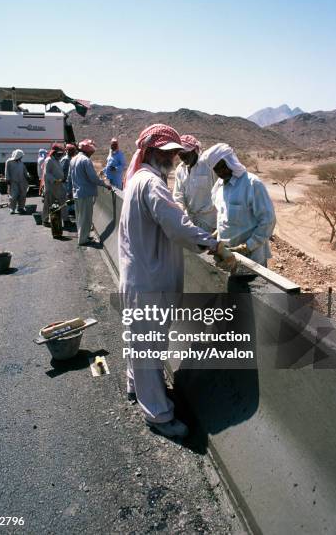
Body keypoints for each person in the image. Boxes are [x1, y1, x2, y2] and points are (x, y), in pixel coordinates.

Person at [119, 124, 220, 439]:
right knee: (148, 347)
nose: (174, 157)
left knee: (142, 345)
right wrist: (212, 243)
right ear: (150, 152)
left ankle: (136, 386)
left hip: (142, 280)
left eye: (175, 152)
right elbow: (178, 226)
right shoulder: (151, 183)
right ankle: (159, 416)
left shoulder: (139, 179)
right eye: (168, 152)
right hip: (148, 284)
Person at [201, 144, 276, 266]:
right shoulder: (218, 186)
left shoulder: (252, 184)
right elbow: (223, 217)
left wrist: (246, 247)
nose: (221, 171)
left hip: (251, 256)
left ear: (231, 161)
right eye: (216, 169)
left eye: (223, 166)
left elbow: (268, 220)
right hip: (226, 254)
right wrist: (215, 235)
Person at [69, 139, 112, 246]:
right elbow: (93, 178)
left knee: (80, 217)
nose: (92, 153)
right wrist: (104, 184)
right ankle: (83, 240)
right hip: (85, 193)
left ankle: (82, 236)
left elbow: (70, 177)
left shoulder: (73, 159)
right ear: (88, 151)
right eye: (91, 152)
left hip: (77, 192)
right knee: (86, 217)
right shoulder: (85, 160)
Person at [173, 134, 217, 232]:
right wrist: (180, 213)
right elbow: (178, 195)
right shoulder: (180, 170)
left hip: (210, 222)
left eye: (186, 154)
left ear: (194, 150)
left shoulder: (208, 166)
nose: (183, 158)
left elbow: (220, 191)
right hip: (190, 221)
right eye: (180, 155)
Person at [42, 143, 71, 228]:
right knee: (48, 204)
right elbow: (47, 174)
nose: (61, 155)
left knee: (63, 203)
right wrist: (55, 180)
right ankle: (45, 220)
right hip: (51, 186)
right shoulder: (49, 160)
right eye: (59, 153)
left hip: (59, 185)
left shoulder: (57, 160)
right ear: (54, 152)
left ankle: (66, 220)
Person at [5, 149, 29, 214]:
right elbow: (7, 171)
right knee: (13, 196)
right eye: (21, 156)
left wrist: (28, 176)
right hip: (13, 182)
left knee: (22, 195)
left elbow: (24, 171)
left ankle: (21, 208)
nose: (21, 157)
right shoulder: (9, 162)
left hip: (21, 181)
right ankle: (12, 209)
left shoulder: (21, 163)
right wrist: (7, 179)